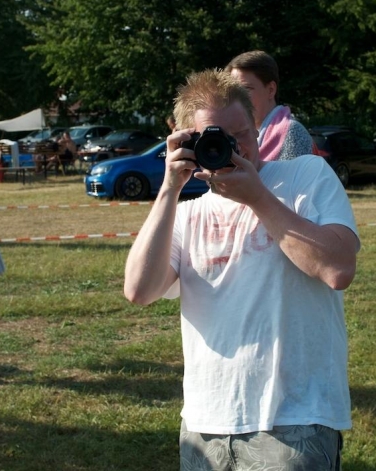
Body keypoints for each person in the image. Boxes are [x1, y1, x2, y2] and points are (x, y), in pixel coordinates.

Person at [124, 69, 360, 470]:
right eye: (215, 138)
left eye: (242, 134)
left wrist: (258, 198)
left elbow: (337, 269)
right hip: (204, 422)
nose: (235, 148)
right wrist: (169, 188)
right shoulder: (187, 213)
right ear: (186, 142)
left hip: (295, 419)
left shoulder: (305, 176)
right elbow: (139, 290)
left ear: (257, 127)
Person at [225, 50, 315, 161]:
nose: (238, 98)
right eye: (234, 91)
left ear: (271, 90)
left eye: (246, 89)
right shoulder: (232, 136)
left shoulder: (293, 133)